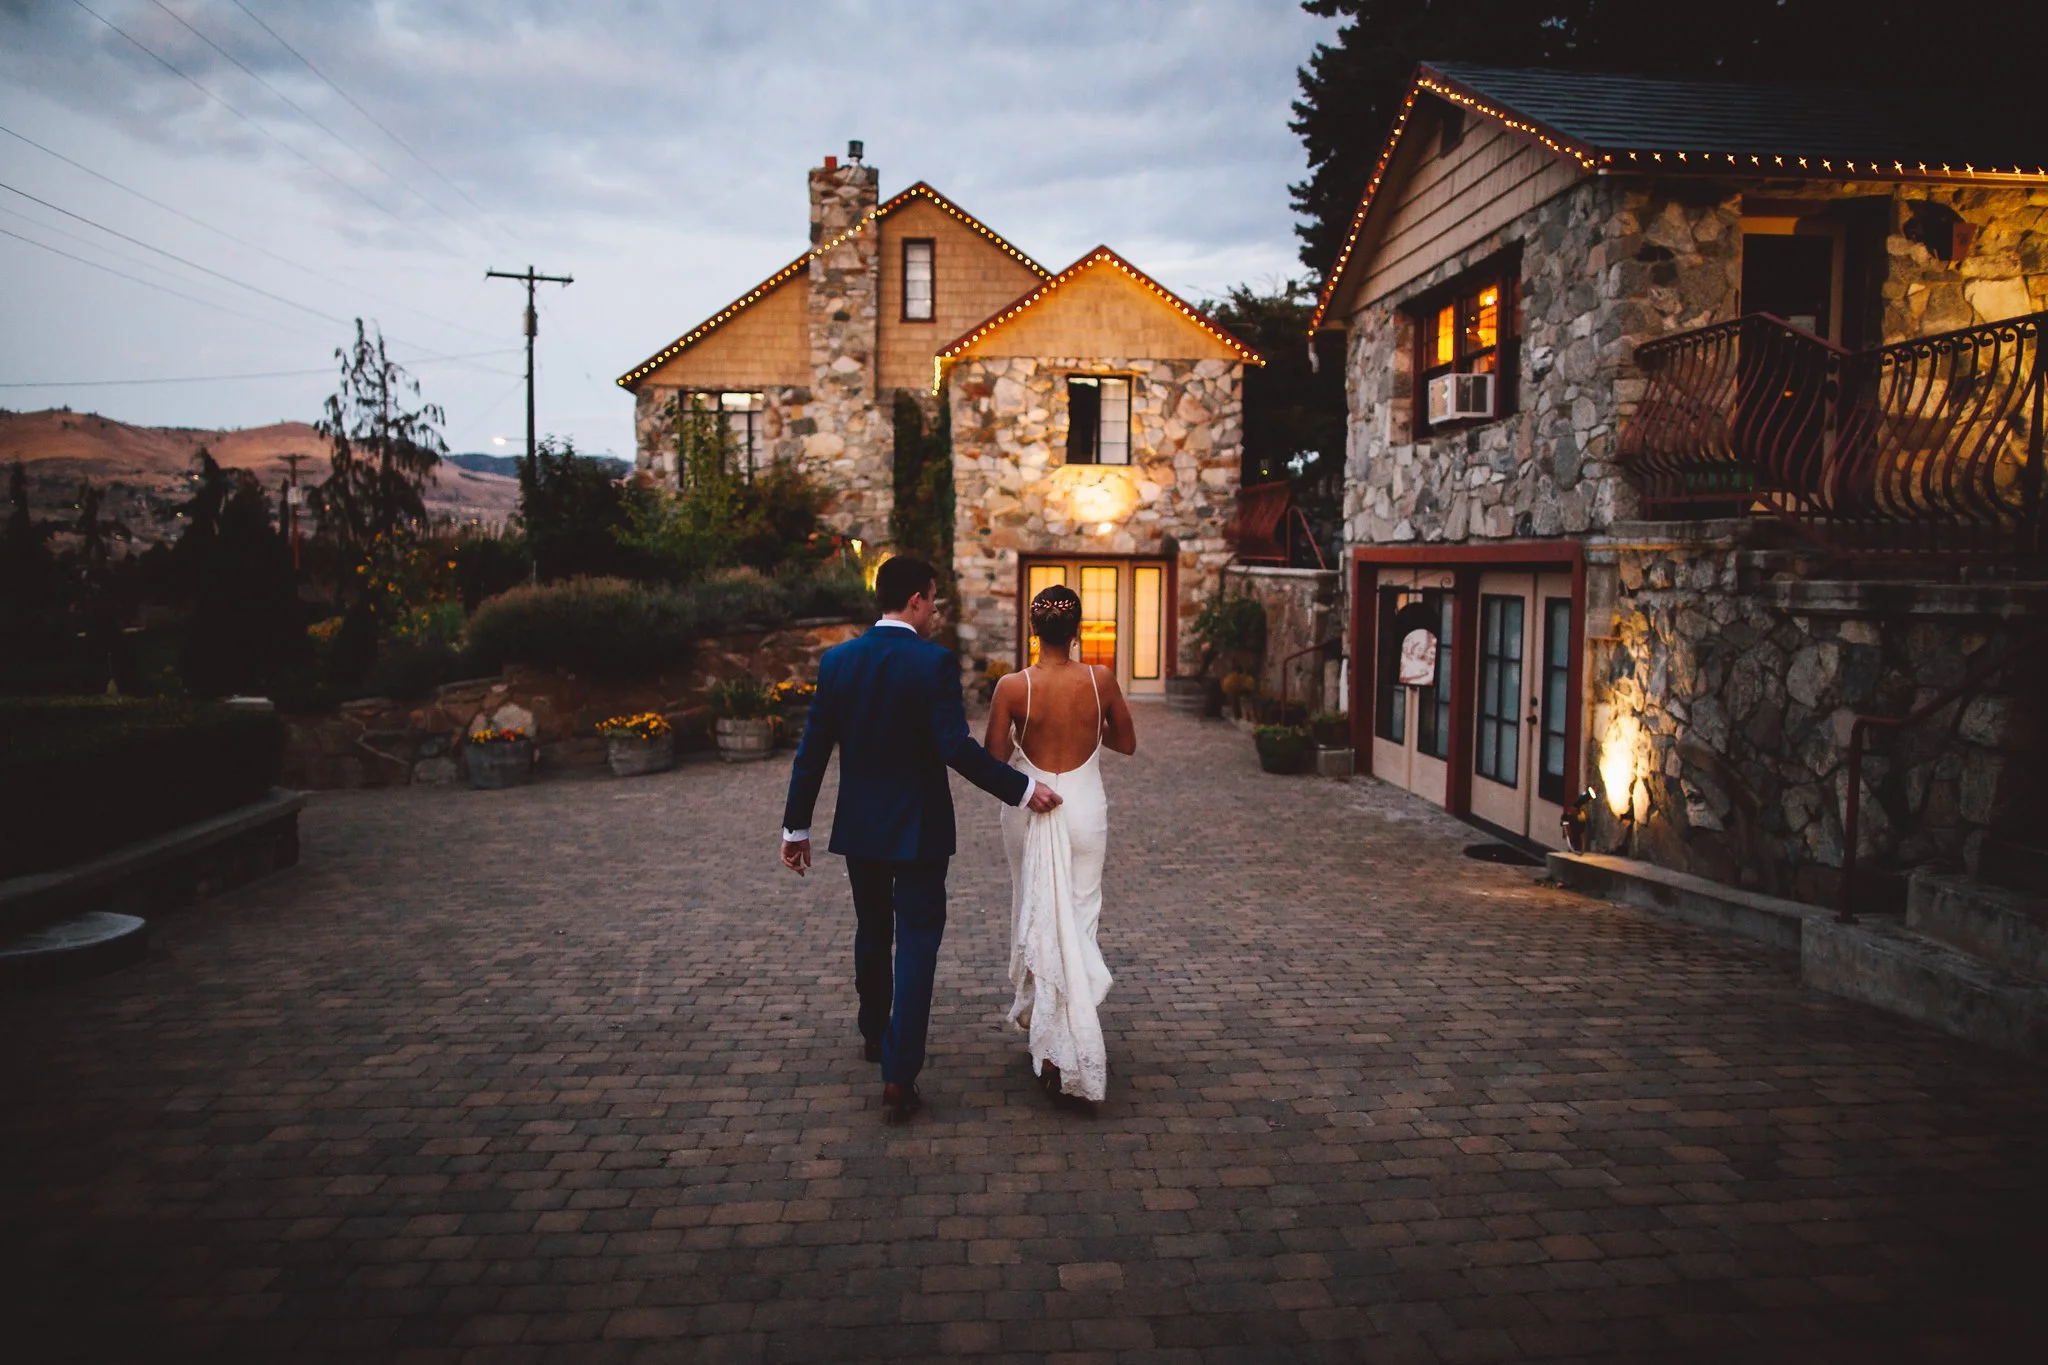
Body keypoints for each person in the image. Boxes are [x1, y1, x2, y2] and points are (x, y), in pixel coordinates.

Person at [780, 556, 1062, 1124]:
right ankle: (899, 1075)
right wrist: (1022, 788)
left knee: (871, 930)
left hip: (860, 828)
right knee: (915, 946)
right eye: (932, 599)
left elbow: (813, 751)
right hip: (920, 831)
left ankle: (872, 1033)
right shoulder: (932, 664)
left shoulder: (838, 662)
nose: (935, 611)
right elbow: (953, 747)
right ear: (913, 600)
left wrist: (796, 827)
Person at [983, 585, 1137, 1105]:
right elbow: (1127, 742)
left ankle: (1051, 1047)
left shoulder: (1011, 686)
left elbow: (993, 759)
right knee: (1079, 918)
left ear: (1033, 630)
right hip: (1085, 808)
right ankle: (1065, 1034)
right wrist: (1090, 732)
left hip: (1029, 806)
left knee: (1036, 910)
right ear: (1076, 632)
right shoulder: (1102, 680)